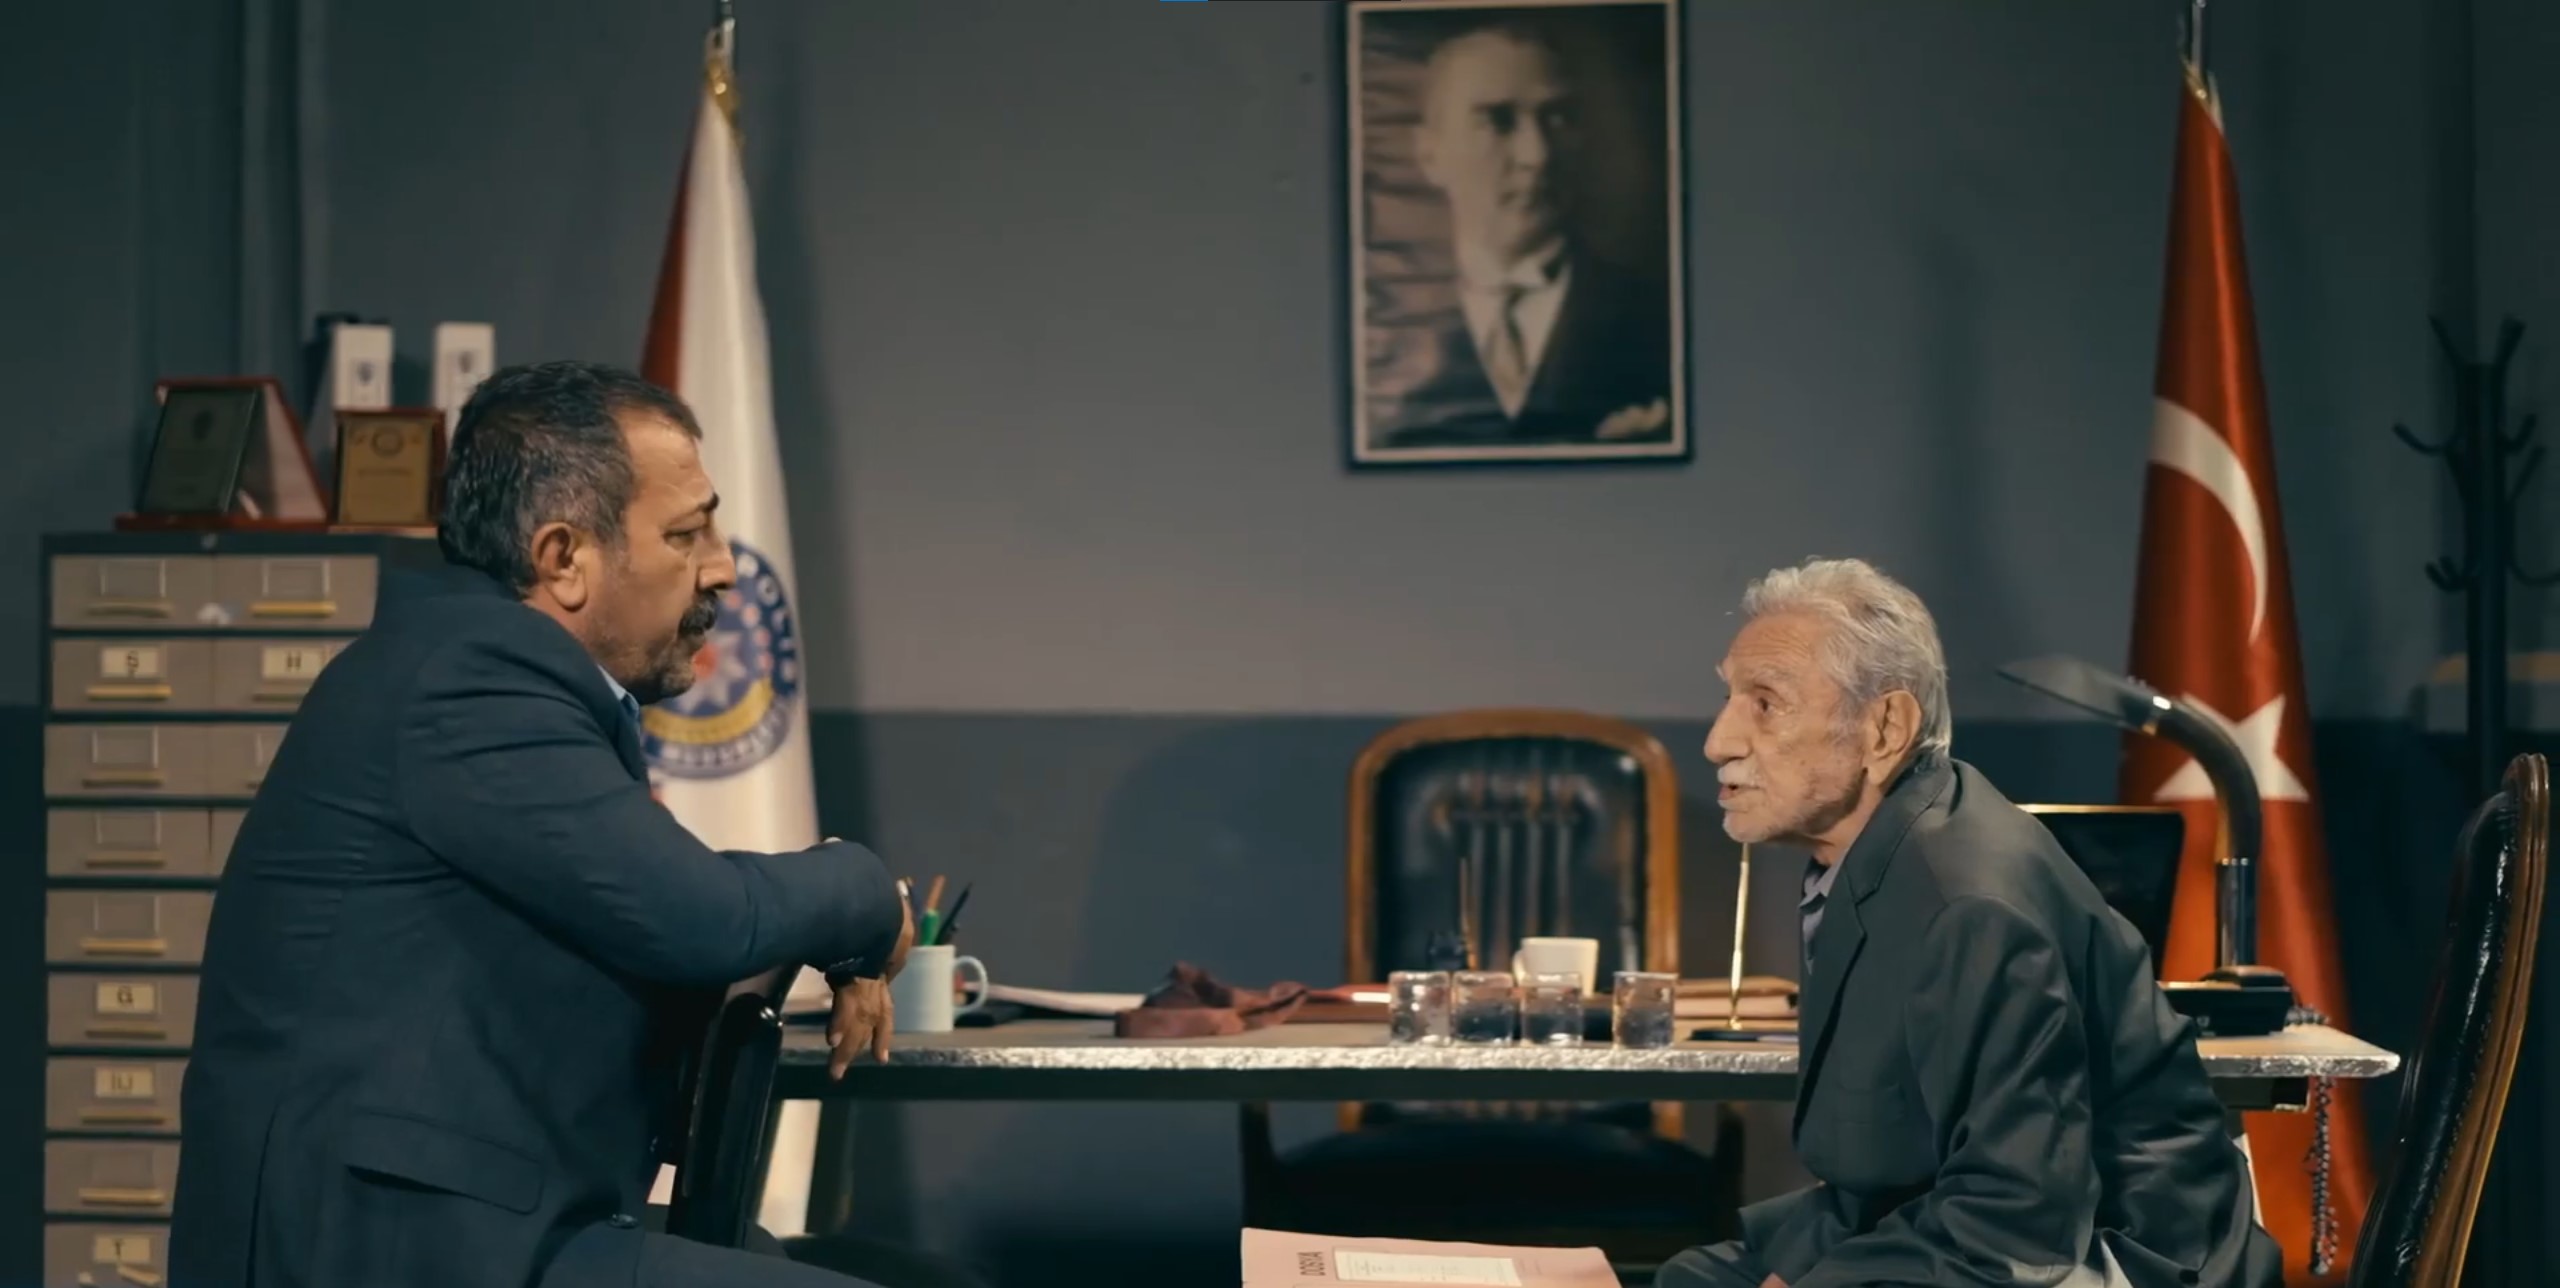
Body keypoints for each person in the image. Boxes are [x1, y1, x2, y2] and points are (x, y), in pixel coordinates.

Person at [169, 361, 917, 1288]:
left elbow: (656, 925)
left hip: (482, 1220)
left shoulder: (477, 665)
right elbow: (702, 918)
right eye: (686, 534)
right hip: (390, 1247)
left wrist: (838, 951)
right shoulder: (473, 679)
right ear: (563, 559)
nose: (723, 566)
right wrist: (864, 890)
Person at [1657, 558, 2283, 1288]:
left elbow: (2018, 1220)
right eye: (1730, 697)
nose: (1719, 741)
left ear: (1885, 728)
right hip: (1958, 1227)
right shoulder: (1874, 850)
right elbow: (1894, 1173)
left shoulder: (1966, 903)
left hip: (2112, 1255)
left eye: (1765, 703)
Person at [1366, 17, 1674, 451]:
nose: (1538, 155)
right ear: (1430, 154)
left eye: (1558, 118)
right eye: (1499, 120)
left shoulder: (1660, 321)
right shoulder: (1382, 332)